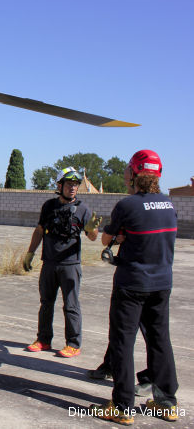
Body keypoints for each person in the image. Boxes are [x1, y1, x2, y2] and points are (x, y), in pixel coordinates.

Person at [90, 149, 179, 425]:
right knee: (160, 340)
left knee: (122, 342)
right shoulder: (169, 205)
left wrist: (121, 234)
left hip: (132, 285)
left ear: (136, 174)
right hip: (162, 284)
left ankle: (122, 406)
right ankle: (166, 403)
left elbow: (106, 240)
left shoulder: (127, 206)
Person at [22, 167, 101, 358]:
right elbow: (40, 230)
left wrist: (92, 229)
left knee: (71, 305)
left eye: (75, 185)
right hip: (49, 263)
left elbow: (92, 237)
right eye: (69, 184)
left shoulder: (83, 209)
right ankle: (43, 340)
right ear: (60, 186)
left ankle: (73, 344)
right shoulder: (49, 206)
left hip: (71, 265)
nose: (73, 188)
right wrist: (30, 253)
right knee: (46, 303)